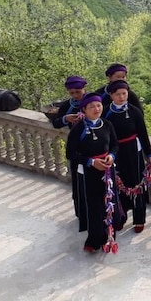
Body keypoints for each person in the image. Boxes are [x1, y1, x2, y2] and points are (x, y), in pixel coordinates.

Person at [66, 93, 122, 253]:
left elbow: (115, 145)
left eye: (98, 105)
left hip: (107, 170)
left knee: (109, 202)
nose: (96, 109)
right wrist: (91, 162)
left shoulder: (107, 124)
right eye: (92, 107)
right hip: (89, 173)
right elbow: (70, 154)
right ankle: (94, 240)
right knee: (94, 206)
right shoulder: (78, 129)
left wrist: (111, 156)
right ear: (84, 109)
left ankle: (110, 237)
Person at [104, 79, 151, 233]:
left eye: (124, 93)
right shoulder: (106, 112)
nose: (121, 97)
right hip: (115, 153)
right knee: (118, 184)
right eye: (118, 94)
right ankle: (121, 216)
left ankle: (139, 219)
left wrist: (150, 155)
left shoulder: (135, 112)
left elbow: (143, 135)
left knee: (137, 184)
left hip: (134, 151)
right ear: (111, 95)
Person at [48, 75, 89, 229]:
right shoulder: (67, 105)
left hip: (95, 146)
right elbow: (56, 122)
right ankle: (81, 213)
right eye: (72, 93)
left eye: (78, 92)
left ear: (84, 89)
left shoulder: (93, 102)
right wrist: (66, 119)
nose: (75, 95)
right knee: (78, 181)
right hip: (76, 147)